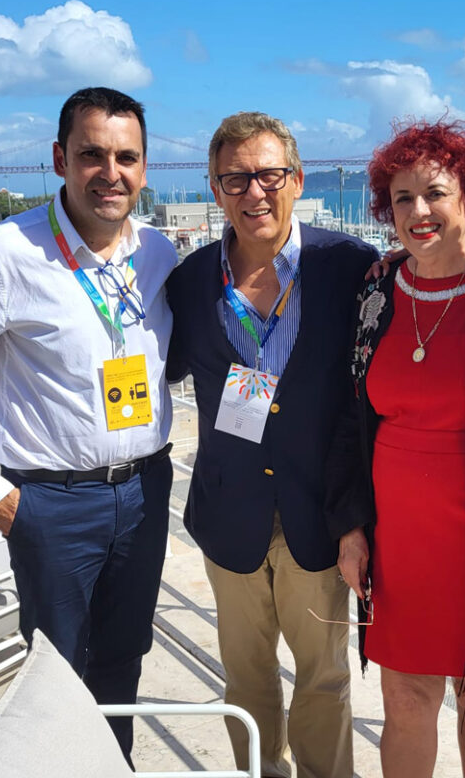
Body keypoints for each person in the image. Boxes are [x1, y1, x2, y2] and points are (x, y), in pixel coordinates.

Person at [326, 120, 465, 778]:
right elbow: (350, 416)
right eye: (402, 198)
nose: (418, 211)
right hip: (398, 538)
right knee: (405, 696)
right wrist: (349, 525)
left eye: (435, 193)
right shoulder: (377, 290)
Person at [0, 87, 176, 763]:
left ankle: (113, 768)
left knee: (123, 661)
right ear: (59, 158)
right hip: (48, 500)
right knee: (54, 676)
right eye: (91, 154)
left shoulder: (160, 254)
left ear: (144, 168)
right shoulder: (2, 254)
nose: (109, 172)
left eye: (126, 157)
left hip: (145, 489)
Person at [165, 111, 376, 778]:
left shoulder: (348, 265)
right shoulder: (192, 279)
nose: (254, 192)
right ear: (215, 188)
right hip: (229, 517)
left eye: (268, 174)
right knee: (246, 681)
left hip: (319, 516)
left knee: (324, 679)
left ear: (297, 179)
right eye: (235, 178)